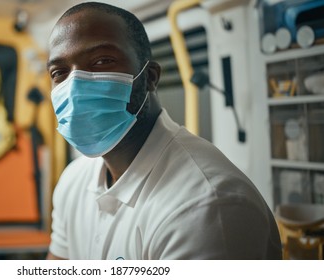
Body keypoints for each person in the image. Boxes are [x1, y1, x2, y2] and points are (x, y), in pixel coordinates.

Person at [46, 2, 282, 260]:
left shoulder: (204, 205)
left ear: (150, 78)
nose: (75, 86)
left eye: (103, 60)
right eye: (59, 72)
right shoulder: (72, 182)